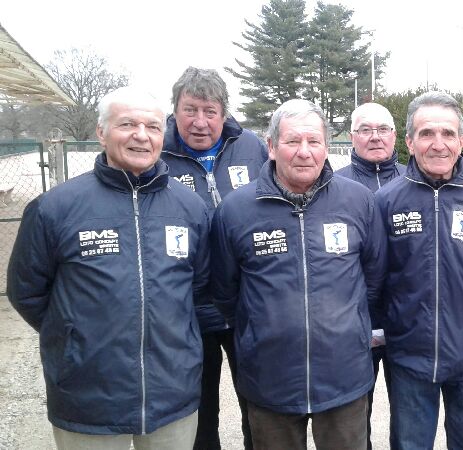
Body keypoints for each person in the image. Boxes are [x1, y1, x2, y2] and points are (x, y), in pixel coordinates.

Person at [6, 86, 210, 449]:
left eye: (152, 126)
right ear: (101, 132)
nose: (141, 136)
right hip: (88, 396)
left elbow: (202, 286)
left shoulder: (190, 208)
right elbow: (27, 291)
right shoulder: (54, 209)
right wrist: (74, 336)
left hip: (172, 391)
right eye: (127, 124)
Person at [210, 99, 386, 450]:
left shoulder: (359, 202)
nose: (304, 152)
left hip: (344, 376)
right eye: (292, 142)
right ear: (272, 147)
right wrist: (260, 331)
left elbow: (374, 277)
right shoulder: (236, 210)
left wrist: (346, 327)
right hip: (270, 378)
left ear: (327, 147)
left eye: (314, 141)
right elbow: (225, 290)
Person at [375, 91, 463, 450]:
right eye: (426, 133)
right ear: (408, 141)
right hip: (409, 356)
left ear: (462, 141)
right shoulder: (386, 200)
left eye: (448, 134)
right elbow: (378, 276)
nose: (438, 144)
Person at [161, 66, 266, 450]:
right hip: (188, 309)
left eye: (210, 111)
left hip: (246, 305)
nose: (200, 122)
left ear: (224, 113)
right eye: (190, 110)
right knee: (199, 412)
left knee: (257, 404)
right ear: (174, 110)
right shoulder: (159, 152)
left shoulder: (251, 147)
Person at [334, 101, 405, 450]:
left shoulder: (415, 180)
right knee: (353, 417)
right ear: (352, 137)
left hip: (407, 320)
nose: (374, 137)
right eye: (365, 130)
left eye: (382, 129)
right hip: (353, 320)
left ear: (395, 135)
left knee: (408, 417)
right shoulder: (333, 186)